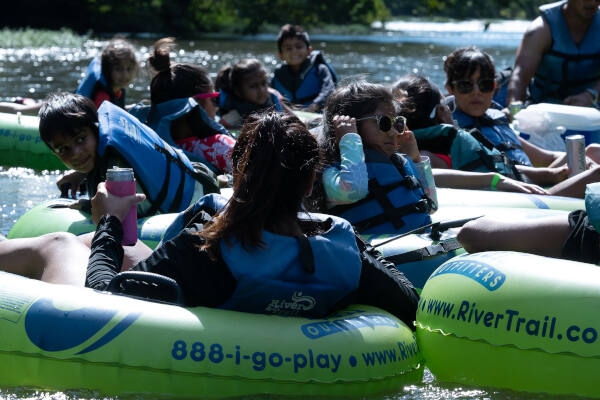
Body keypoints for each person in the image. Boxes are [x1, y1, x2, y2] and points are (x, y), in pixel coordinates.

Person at [0, 112, 420, 327]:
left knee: (59, 244)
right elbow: (408, 303)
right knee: (122, 249)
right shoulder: (343, 251)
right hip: (289, 334)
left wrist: (109, 222)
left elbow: (103, 301)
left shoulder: (208, 246)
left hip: (183, 333)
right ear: (312, 179)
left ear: (238, 175)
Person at [445, 46, 600, 198]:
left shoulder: (496, 121)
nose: (476, 91)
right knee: (597, 174)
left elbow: (548, 159)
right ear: (450, 89)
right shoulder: (457, 133)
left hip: (539, 185)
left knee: (593, 151)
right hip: (518, 196)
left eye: (484, 85)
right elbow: (494, 172)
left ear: (494, 87)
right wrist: (554, 174)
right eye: (465, 86)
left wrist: (580, 158)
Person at [42, 93, 218, 217]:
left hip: (195, 204)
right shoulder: (109, 141)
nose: (76, 153)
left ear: (96, 128)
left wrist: (85, 206)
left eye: (80, 139)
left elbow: (119, 213)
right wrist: (81, 173)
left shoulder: (116, 167)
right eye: (63, 149)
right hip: (198, 178)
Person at [306, 81, 436, 236]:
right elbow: (354, 191)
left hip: (420, 243)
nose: (394, 132)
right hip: (378, 254)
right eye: (384, 122)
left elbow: (431, 206)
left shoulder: (398, 163)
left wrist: (415, 160)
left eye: (398, 123)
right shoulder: (330, 171)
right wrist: (349, 139)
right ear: (350, 125)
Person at [393, 74, 548, 194]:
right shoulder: (426, 157)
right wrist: (494, 180)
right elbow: (431, 177)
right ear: (440, 113)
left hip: (513, 188)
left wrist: (549, 173)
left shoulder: (446, 148)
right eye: (449, 105)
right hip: (503, 197)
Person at [138, 37, 236, 174]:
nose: (216, 107)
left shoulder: (148, 146)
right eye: (213, 99)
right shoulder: (221, 147)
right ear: (196, 104)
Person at [506, 0, 600, 107]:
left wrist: (591, 95)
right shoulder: (540, 30)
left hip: (593, 109)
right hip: (544, 109)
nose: (592, 2)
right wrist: (514, 110)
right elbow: (520, 77)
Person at [271, 24, 337, 112]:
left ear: (309, 51)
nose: (294, 51)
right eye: (288, 48)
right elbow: (270, 95)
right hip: (289, 116)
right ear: (280, 55)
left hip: (317, 115)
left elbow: (329, 90)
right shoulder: (277, 76)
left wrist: (314, 106)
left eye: (299, 47)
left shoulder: (320, 69)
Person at [215, 58, 293, 130]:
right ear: (238, 91)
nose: (261, 90)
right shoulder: (232, 114)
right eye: (253, 86)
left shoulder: (273, 99)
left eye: (263, 83)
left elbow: (293, 119)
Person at [76, 37, 137, 110]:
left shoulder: (117, 89)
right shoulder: (102, 96)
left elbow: (116, 107)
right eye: (118, 69)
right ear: (107, 69)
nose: (125, 75)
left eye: (129, 69)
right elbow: (100, 119)